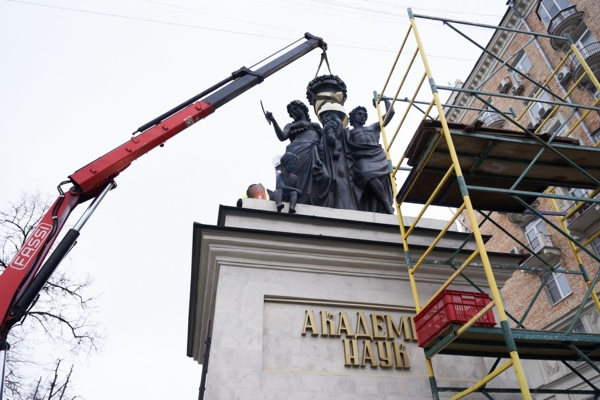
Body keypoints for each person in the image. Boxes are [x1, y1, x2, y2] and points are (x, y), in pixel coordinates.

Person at [265, 101, 334, 207]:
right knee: (298, 178)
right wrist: (273, 120)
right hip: (296, 152)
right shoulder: (290, 125)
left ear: (303, 109)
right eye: (291, 111)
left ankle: (314, 203)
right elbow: (282, 137)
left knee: (325, 177)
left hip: (313, 152)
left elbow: (324, 141)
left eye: (295, 109)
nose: (294, 112)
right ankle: (298, 202)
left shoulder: (315, 125)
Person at [347, 98, 395, 214]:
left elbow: (391, 113)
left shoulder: (373, 127)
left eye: (364, 115)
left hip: (378, 156)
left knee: (376, 186)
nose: (362, 116)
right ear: (353, 117)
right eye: (359, 114)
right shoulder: (348, 132)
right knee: (366, 174)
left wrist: (384, 100)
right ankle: (386, 204)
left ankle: (376, 211)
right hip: (362, 158)